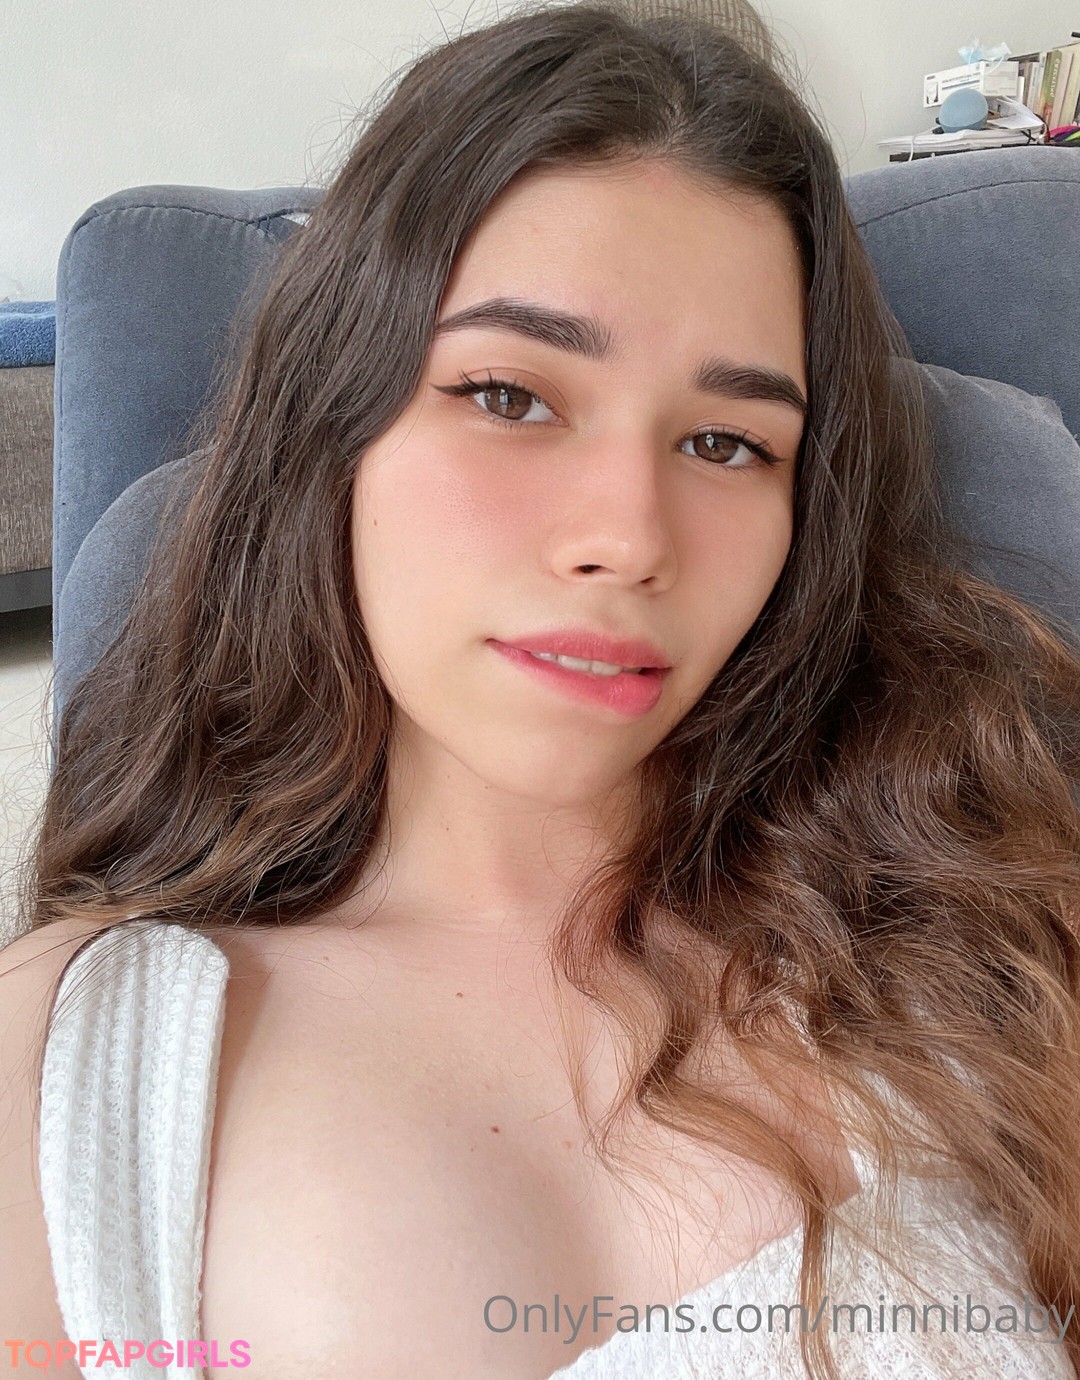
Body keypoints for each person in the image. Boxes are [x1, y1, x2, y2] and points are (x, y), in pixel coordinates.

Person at [3, 3, 1080, 1378]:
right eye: (510, 396)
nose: (628, 537)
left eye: (726, 443)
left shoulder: (984, 945)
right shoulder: (69, 1065)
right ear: (329, 429)